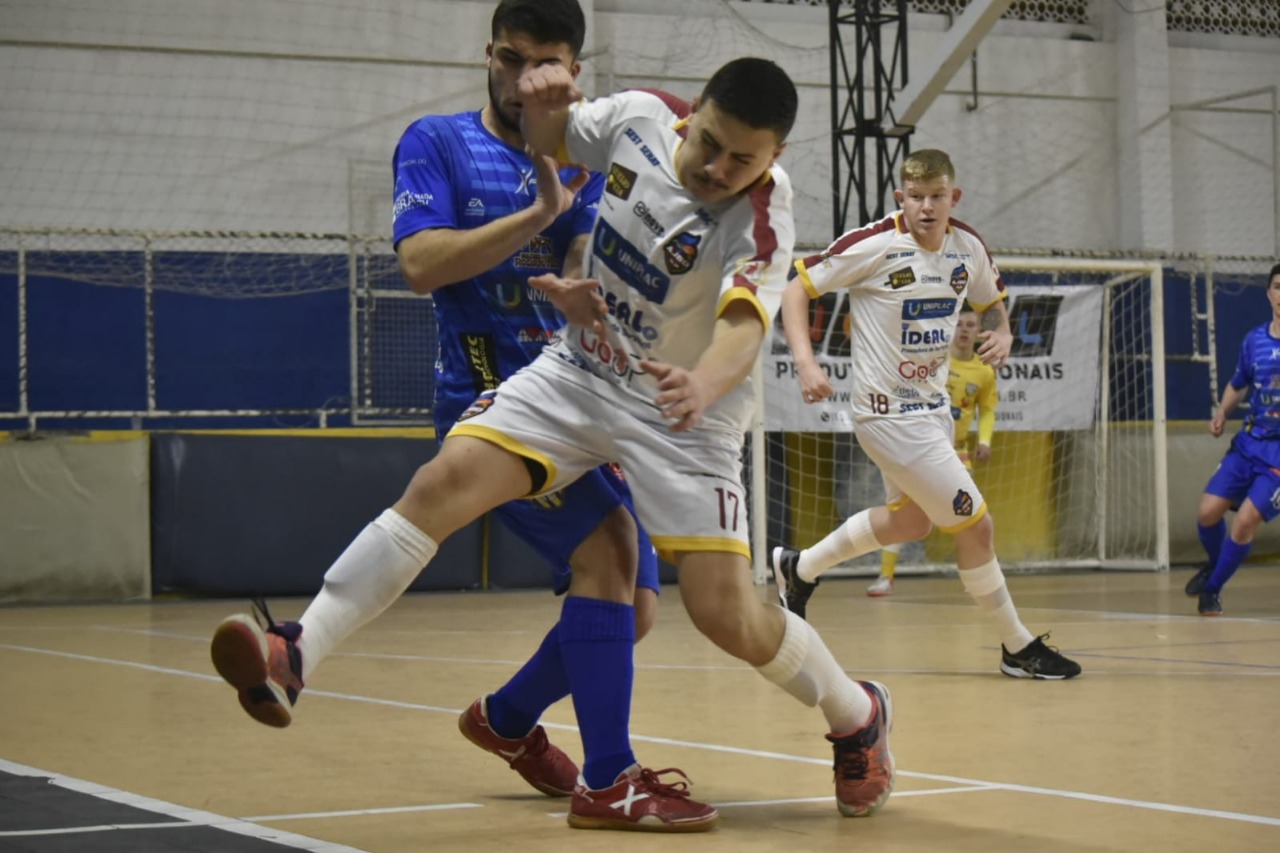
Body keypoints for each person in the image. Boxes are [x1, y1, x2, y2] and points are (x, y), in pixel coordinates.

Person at [211, 54, 895, 830]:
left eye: (743, 158)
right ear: (693, 112)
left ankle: (855, 711)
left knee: (724, 615)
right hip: (581, 369)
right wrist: (542, 104)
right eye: (709, 142)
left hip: (682, 416)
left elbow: (744, 326)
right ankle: (296, 652)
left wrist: (703, 383)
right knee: (443, 484)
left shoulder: (764, 215)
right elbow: (556, 139)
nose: (717, 167)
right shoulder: (639, 114)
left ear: (775, 157)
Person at [770, 148, 1081, 680]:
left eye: (937, 196)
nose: (927, 206)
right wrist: (805, 362)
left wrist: (1002, 329)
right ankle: (1016, 646)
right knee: (977, 527)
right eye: (916, 197)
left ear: (952, 197)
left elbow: (993, 299)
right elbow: (797, 287)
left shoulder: (968, 247)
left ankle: (799, 568)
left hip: (934, 412)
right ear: (901, 198)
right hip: (887, 417)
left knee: (912, 522)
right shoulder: (874, 244)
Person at [868, 303, 998, 596]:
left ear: (978, 332)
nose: (964, 330)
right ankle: (885, 576)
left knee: (968, 513)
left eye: (970, 325)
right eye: (960, 324)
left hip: (958, 451)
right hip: (921, 450)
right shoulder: (933, 362)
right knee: (905, 512)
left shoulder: (984, 371)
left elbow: (988, 410)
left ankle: (976, 576)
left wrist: (986, 441)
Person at [1184, 263, 1280, 616]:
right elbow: (1239, 382)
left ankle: (1212, 588)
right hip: (1249, 443)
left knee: (1244, 521)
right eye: (1278, 287)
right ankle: (1215, 563)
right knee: (1208, 513)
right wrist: (1222, 412)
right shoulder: (1254, 340)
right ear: (1269, 293)